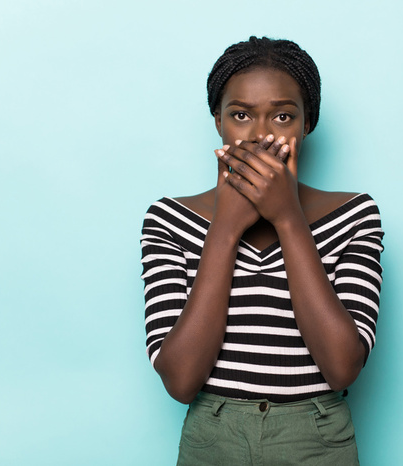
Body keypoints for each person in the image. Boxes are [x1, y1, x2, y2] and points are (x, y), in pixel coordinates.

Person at [140, 36, 384, 465]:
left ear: (307, 124)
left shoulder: (355, 214)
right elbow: (180, 380)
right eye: (240, 115)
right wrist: (226, 227)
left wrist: (288, 218)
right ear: (218, 121)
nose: (261, 135)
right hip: (213, 440)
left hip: (316, 441)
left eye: (284, 115)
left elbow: (343, 367)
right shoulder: (168, 219)